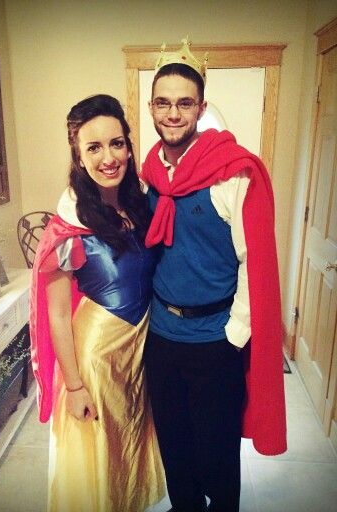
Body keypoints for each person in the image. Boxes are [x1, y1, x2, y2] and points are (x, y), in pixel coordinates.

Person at [141, 39, 287, 512]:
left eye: (185, 103)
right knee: (176, 451)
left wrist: (234, 334)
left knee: (218, 457)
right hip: (162, 337)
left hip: (213, 341)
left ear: (200, 107)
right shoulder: (149, 174)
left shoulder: (233, 173)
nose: (173, 113)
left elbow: (255, 263)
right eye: (163, 102)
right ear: (151, 107)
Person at [29, 94, 165, 512]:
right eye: (94, 147)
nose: (110, 157)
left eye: (117, 143)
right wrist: (74, 385)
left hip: (138, 352)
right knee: (98, 466)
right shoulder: (68, 224)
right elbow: (56, 311)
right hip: (95, 359)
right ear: (79, 155)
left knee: (127, 454)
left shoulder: (142, 202)